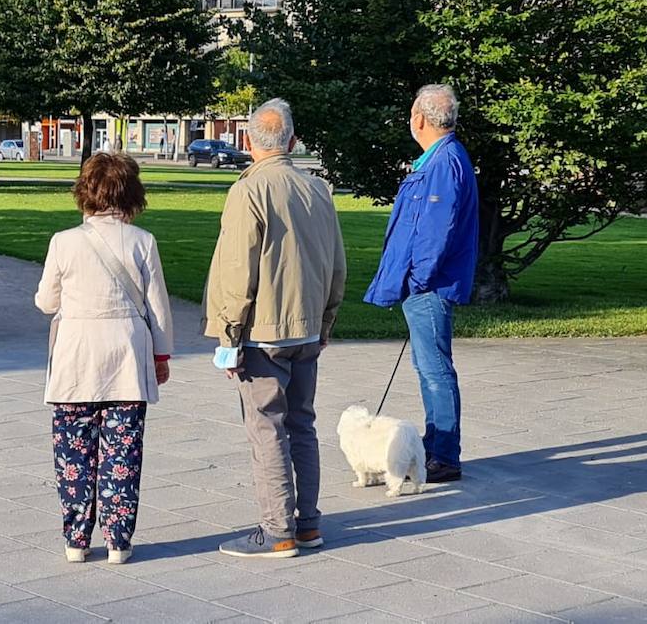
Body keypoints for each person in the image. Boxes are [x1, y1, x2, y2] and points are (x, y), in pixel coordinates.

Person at [204, 98, 346, 558]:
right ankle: (308, 524)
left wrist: (228, 336)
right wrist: (326, 320)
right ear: (292, 139)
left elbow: (235, 270)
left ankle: (277, 529)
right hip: (306, 328)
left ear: (248, 141)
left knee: (267, 428)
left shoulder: (249, 190)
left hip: (264, 332)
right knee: (302, 425)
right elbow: (336, 264)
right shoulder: (317, 189)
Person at [34, 153, 174, 565]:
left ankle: (77, 539)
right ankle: (118, 540)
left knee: (73, 454)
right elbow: (159, 309)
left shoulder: (64, 241)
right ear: (132, 194)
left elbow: (46, 302)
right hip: (126, 357)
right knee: (122, 454)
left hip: (76, 359)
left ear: (85, 192)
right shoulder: (142, 242)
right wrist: (161, 356)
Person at [365, 84, 479, 483]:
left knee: (435, 369)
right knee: (427, 365)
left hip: (430, 286)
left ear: (419, 119)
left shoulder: (444, 163)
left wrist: (417, 278)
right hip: (425, 284)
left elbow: (436, 231)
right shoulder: (438, 159)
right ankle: (436, 448)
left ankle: (444, 455)